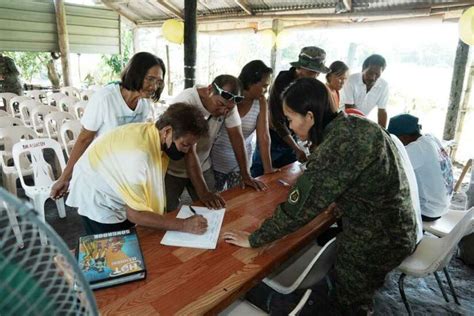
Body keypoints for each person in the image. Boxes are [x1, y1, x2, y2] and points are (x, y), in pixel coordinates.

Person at [224, 78, 417, 314]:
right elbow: (368, 177)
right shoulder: (356, 124)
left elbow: (297, 209)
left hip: (375, 240)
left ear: (310, 117)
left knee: (351, 303)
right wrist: (345, 200)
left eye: (291, 119)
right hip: (397, 228)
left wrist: (255, 238)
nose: (290, 127)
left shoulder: (336, 146)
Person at [66, 103, 209, 235]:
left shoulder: (154, 133)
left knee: (131, 238)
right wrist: (183, 225)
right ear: (167, 131)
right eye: (185, 145)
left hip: (116, 188)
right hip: (98, 197)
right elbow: (135, 214)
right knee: (112, 248)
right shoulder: (137, 155)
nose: (187, 151)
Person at [51, 52, 166, 200]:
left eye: (158, 82)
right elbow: (84, 139)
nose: (154, 87)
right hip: (97, 172)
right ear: (135, 74)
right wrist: (65, 177)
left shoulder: (144, 104)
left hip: (120, 173)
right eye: (150, 79)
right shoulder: (105, 99)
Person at [165, 74, 266, 212]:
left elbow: (237, 137)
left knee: (214, 208)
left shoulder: (229, 103)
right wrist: (204, 193)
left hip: (202, 165)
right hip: (173, 169)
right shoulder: (187, 102)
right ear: (210, 89)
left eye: (229, 109)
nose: (224, 111)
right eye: (220, 105)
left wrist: (246, 175)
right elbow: (189, 152)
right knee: (168, 210)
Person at [251, 46, 330, 177]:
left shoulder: (311, 85)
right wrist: (296, 148)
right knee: (261, 176)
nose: (315, 76)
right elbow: (276, 120)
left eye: (317, 73)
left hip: (292, 138)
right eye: (312, 72)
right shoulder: (283, 82)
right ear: (300, 68)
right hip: (274, 138)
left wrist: (311, 140)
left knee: (288, 176)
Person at [211, 60, 276, 190]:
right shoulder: (228, 97)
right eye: (264, 86)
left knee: (238, 201)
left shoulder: (261, 102)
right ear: (251, 82)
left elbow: (263, 137)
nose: (266, 90)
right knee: (214, 202)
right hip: (215, 160)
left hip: (241, 164)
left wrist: (268, 170)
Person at [388, 114, 454, 221]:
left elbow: (391, 174)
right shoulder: (431, 139)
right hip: (442, 206)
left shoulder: (416, 149)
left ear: (405, 137)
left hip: (428, 211)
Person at [341, 54, 389, 127]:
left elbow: (382, 112)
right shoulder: (351, 80)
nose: (373, 78)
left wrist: (383, 132)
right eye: (370, 73)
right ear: (363, 68)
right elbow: (349, 109)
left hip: (361, 120)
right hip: (343, 118)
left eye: (377, 74)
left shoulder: (384, 86)